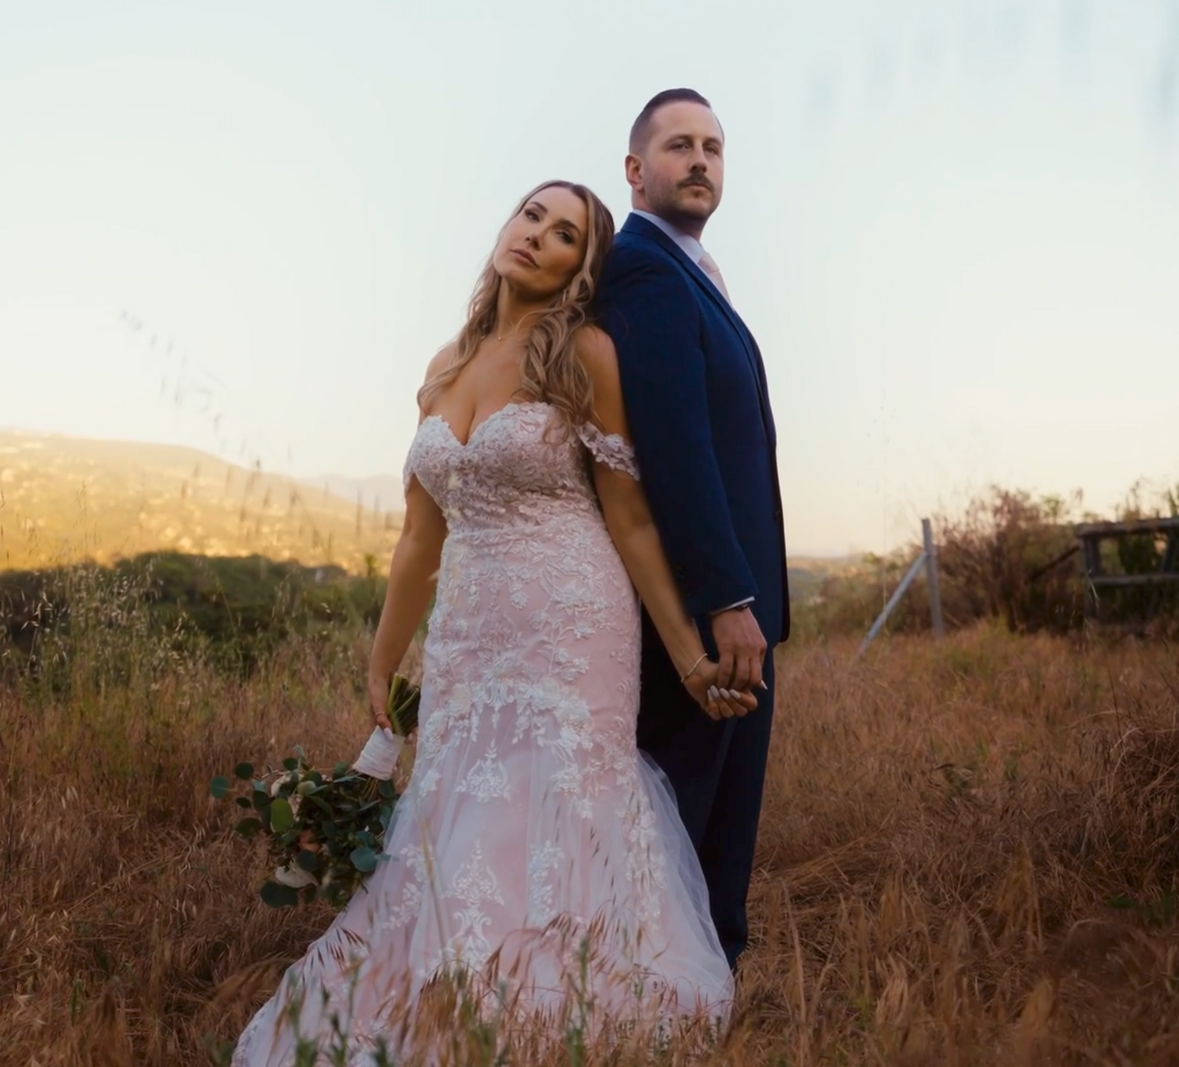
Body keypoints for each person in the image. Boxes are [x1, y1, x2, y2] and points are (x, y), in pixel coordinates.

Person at [232, 179, 745, 1066]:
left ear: (580, 268)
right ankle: (443, 975)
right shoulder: (443, 368)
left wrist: (691, 656)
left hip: (572, 618)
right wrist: (385, 654)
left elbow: (629, 519)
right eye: (531, 215)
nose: (538, 237)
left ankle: (551, 991)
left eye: (565, 235)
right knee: (458, 806)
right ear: (507, 226)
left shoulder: (585, 354)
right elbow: (417, 536)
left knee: (553, 803)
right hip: (469, 628)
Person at [594, 88, 789, 971]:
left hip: (735, 603)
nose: (700, 160)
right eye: (678, 146)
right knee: (687, 820)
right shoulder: (641, 267)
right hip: (708, 614)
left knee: (723, 825)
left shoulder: (691, 270)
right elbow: (672, 444)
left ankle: (703, 991)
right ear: (636, 173)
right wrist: (725, 598)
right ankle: (670, 995)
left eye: (713, 146)